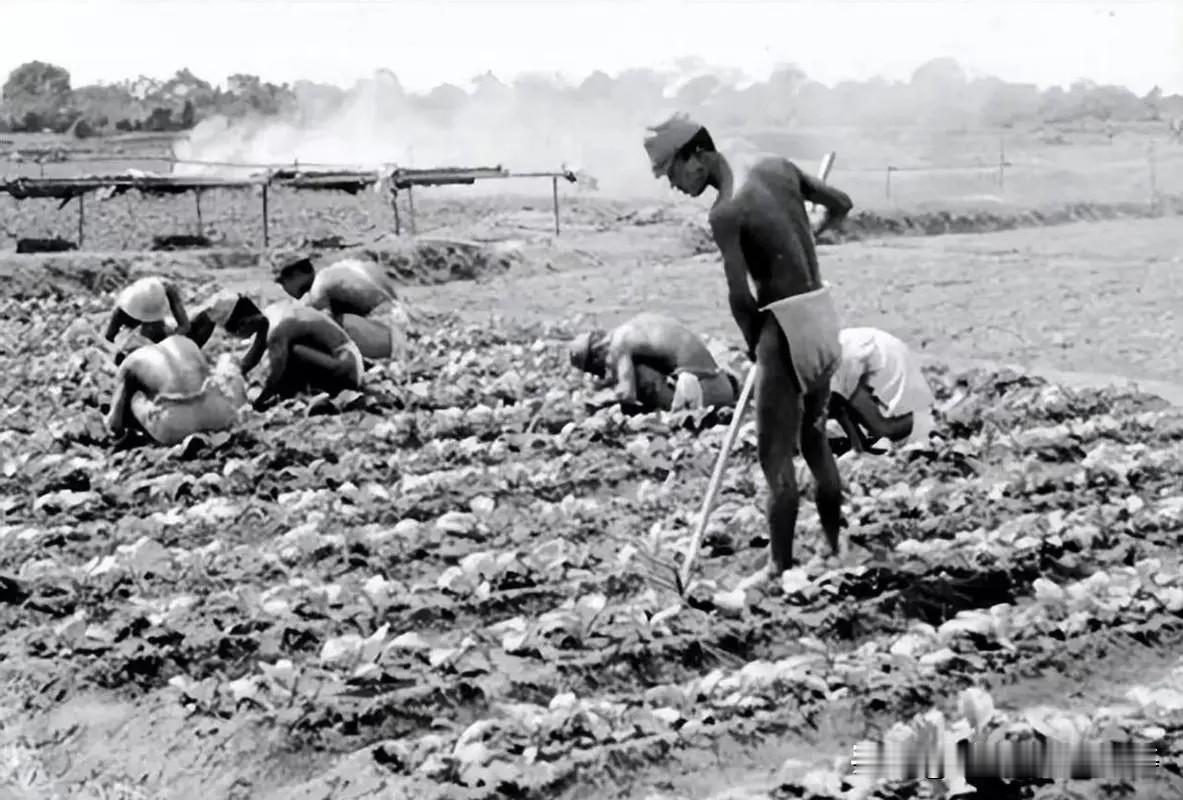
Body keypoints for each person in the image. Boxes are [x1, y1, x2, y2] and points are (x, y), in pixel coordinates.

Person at [644, 113, 853, 576]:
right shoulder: (776, 165)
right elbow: (841, 203)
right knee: (815, 439)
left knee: (774, 458)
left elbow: (740, 295)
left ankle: (779, 567)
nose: (675, 186)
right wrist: (816, 232)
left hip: (784, 325)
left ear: (696, 155)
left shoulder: (726, 211)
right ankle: (834, 546)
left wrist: (754, 342)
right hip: (822, 313)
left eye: (673, 173)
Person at [203, 291, 365, 411]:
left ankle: (326, 397)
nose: (237, 338)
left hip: (347, 370)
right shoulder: (270, 315)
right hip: (349, 361)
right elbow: (253, 356)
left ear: (245, 323)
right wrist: (230, 377)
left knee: (290, 360)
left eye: (236, 333)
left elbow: (276, 374)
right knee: (286, 361)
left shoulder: (277, 330)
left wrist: (259, 402)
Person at [567, 313, 739, 413]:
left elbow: (627, 394)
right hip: (722, 386)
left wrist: (599, 404)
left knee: (640, 375)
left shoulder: (618, 345)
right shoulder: (633, 328)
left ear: (597, 356)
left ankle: (669, 412)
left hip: (704, 393)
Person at [104, 334, 247, 447]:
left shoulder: (131, 362)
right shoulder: (183, 342)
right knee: (227, 361)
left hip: (173, 425)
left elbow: (115, 423)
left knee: (134, 396)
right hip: (217, 412)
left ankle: (187, 438)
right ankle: (242, 412)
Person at [273, 255, 412, 361]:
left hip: (390, 337)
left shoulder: (319, 289)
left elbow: (323, 329)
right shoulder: (338, 270)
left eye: (282, 283)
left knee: (325, 328)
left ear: (296, 275)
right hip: (401, 326)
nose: (284, 289)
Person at [828, 327, 936, 452]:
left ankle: (919, 421)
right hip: (882, 354)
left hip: (883, 367)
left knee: (881, 429)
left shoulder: (839, 365)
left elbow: (840, 403)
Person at [104, 276, 191, 345]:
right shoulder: (126, 304)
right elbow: (109, 336)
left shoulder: (169, 291)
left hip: (159, 332)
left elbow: (185, 326)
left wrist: (172, 338)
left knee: (158, 336)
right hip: (136, 310)